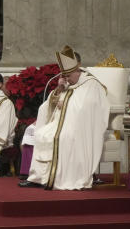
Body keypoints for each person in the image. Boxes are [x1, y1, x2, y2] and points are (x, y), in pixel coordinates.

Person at [21, 46, 109, 190]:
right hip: (59, 123)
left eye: (68, 76)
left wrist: (67, 103)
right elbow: (49, 105)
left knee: (62, 137)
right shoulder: (67, 84)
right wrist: (59, 90)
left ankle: (60, 178)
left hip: (80, 126)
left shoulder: (91, 84)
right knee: (40, 134)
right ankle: (38, 178)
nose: (66, 79)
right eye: (64, 76)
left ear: (77, 71)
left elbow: (90, 107)